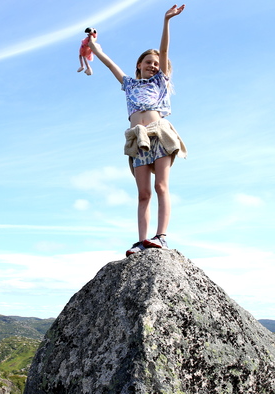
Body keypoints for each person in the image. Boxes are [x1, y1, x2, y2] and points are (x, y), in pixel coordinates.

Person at [89, 5, 187, 257]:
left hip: (160, 134)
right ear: (139, 64)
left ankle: (161, 237)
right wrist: (93, 45)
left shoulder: (160, 81)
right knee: (143, 193)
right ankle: (143, 241)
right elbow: (109, 63)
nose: (153, 66)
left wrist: (166, 21)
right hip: (137, 139)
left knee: (161, 187)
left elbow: (164, 49)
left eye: (156, 63)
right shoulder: (129, 84)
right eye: (148, 62)